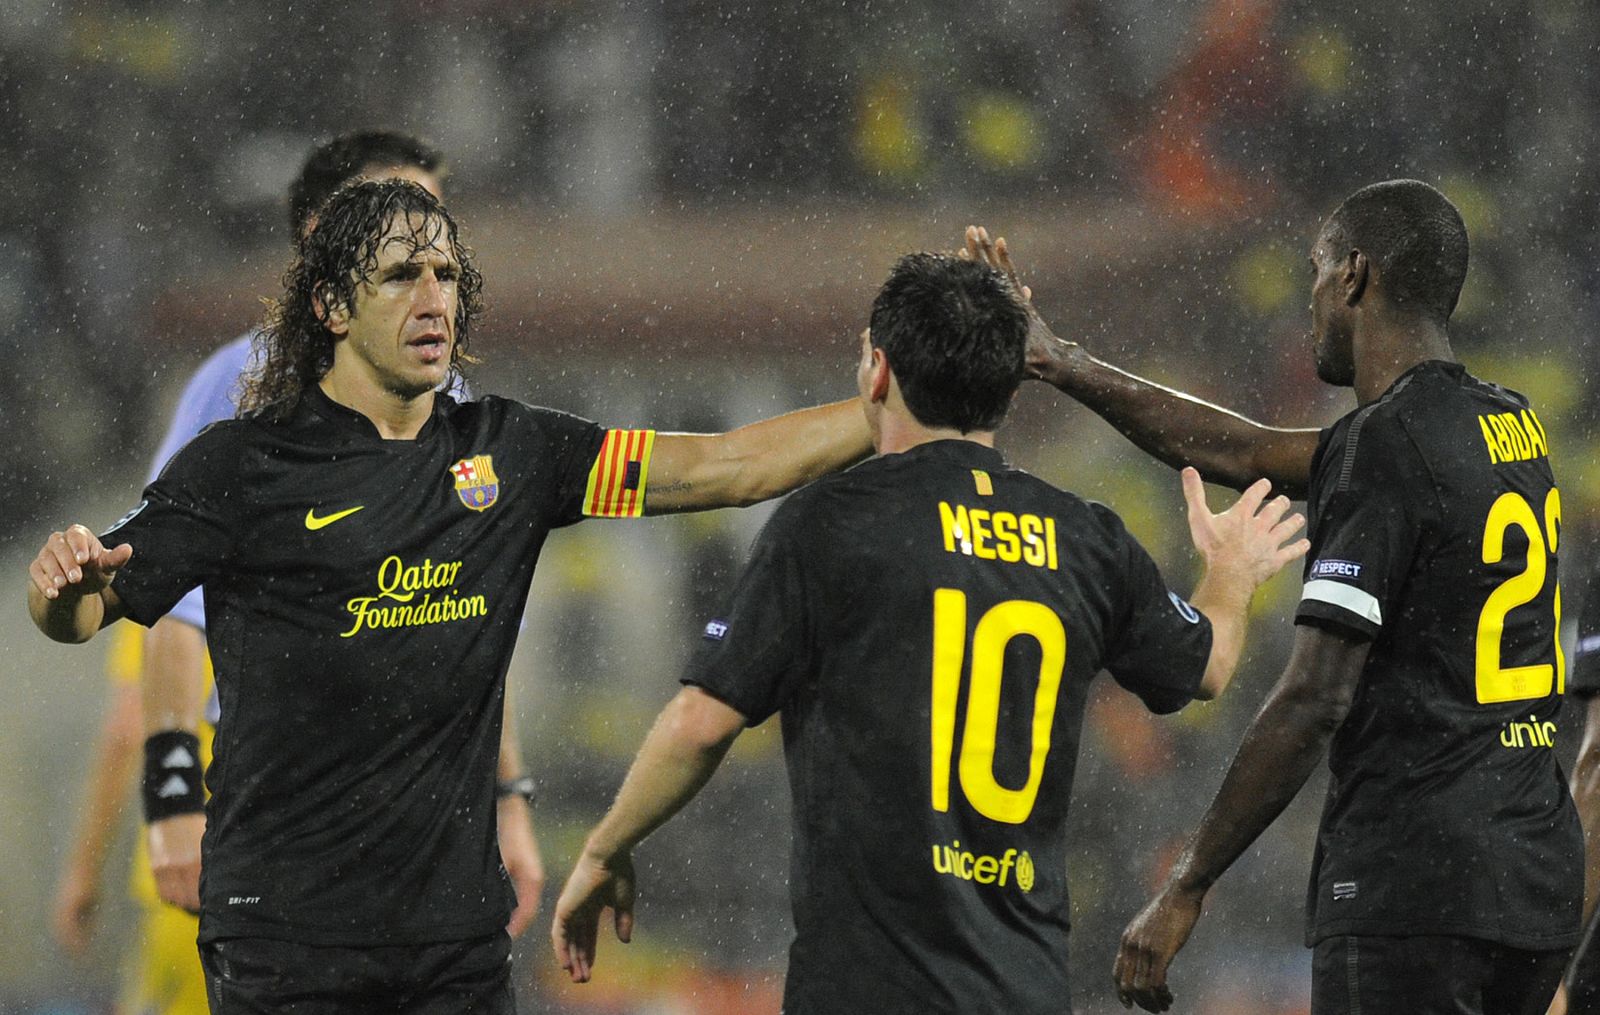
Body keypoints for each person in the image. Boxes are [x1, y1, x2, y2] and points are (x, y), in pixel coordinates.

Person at [27, 178, 873, 1009]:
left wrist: (893, 410)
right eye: (400, 276)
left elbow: (726, 467)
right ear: (330, 306)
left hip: (453, 952)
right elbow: (85, 611)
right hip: (287, 944)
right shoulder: (242, 467)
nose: (434, 298)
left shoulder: (512, 454)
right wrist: (62, 588)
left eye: (446, 275)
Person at [550, 251, 1308, 1012]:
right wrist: (1232, 572)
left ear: (878, 372)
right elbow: (1205, 665)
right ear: (1011, 388)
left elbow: (699, 724)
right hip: (1023, 987)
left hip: (867, 988)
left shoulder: (831, 523)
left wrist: (605, 846)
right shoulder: (1085, 537)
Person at [968, 178, 1582, 1013]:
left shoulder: (1384, 446)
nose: (1312, 295)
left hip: (1418, 887)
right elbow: (1244, 448)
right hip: (1531, 882)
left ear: (1357, 275)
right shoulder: (1513, 424)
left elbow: (1313, 700)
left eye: (1319, 269)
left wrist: (1188, 881)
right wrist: (1059, 360)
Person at [47, 131, 529, 1014]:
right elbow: (172, 615)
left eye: (438, 228)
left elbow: (456, 633)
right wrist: (168, 803)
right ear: (322, 238)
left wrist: (509, 798)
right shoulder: (238, 391)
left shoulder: (453, 405)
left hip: (414, 834)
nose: (425, 246)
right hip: (267, 816)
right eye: (392, 219)